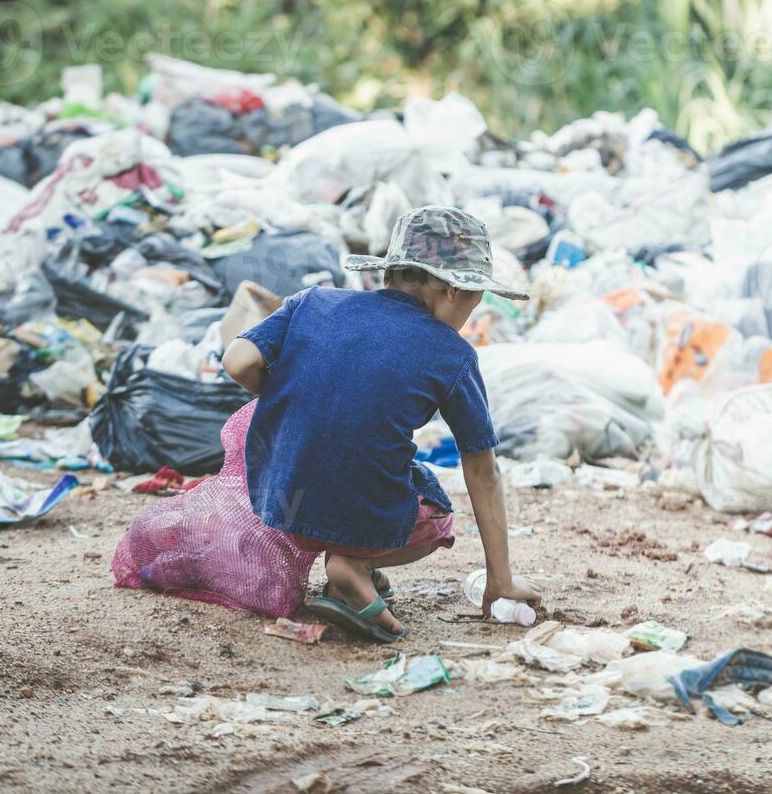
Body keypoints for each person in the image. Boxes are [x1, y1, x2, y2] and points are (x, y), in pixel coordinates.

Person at [221, 206, 542, 642]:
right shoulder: (451, 354)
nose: (473, 306)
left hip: (280, 500)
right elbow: (483, 470)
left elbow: (238, 361)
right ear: (450, 290)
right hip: (358, 513)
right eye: (475, 294)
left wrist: (293, 401)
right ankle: (351, 564)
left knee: (385, 469)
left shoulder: (313, 302)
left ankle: (352, 576)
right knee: (435, 513)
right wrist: (500, 581)